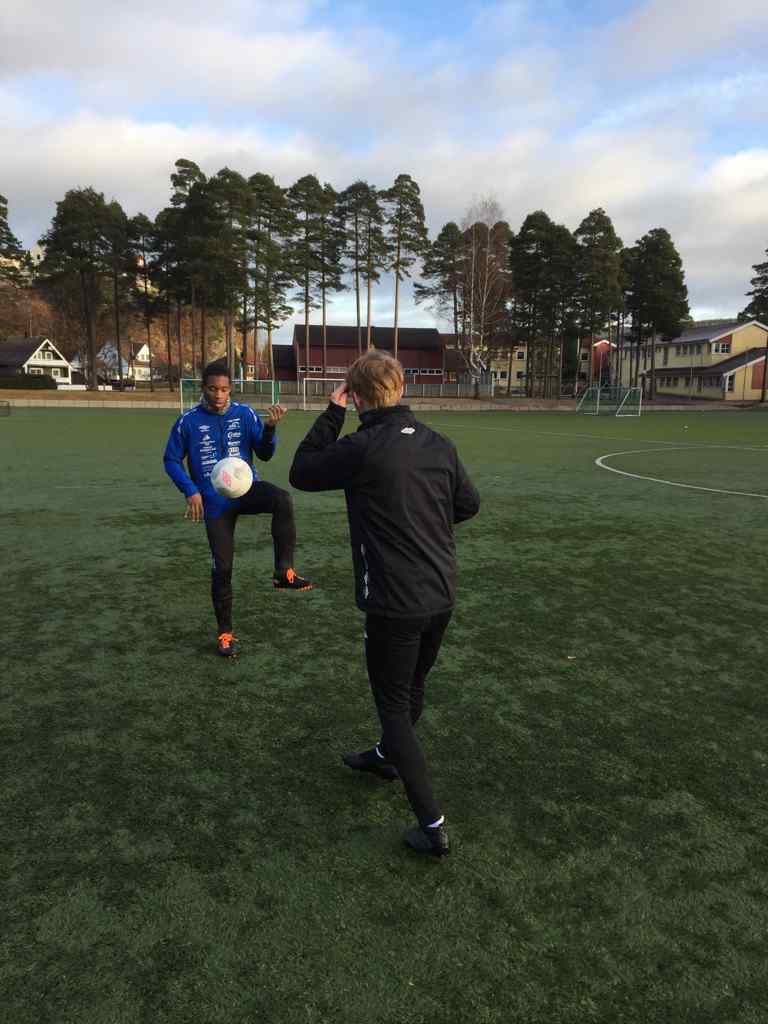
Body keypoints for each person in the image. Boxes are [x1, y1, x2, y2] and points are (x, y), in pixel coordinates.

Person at [289, 351, 480, 856]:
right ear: (401, 389)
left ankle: (432, 825)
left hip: (395, 601)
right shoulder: (438, 443)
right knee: (412, 687)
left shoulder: (362, 446)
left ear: (355, 397)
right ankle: (385, 756)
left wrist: (331, 412)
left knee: (394, 705)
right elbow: (468, 505)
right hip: (441, 593)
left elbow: (301, 470)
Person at [164, 361, 313, 658]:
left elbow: (265, 454)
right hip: (215, 502)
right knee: (222, 568)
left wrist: (269, 429)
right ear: (203, 388)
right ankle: (225, 634)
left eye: (224, 389)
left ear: (231, 388)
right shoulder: (187, 421)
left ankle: (283, 571)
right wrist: (191, 490)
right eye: (212, 389)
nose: (219, 395)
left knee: (282, 499)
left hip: (247, 491)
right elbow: (171, 459)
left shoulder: (245, 414)